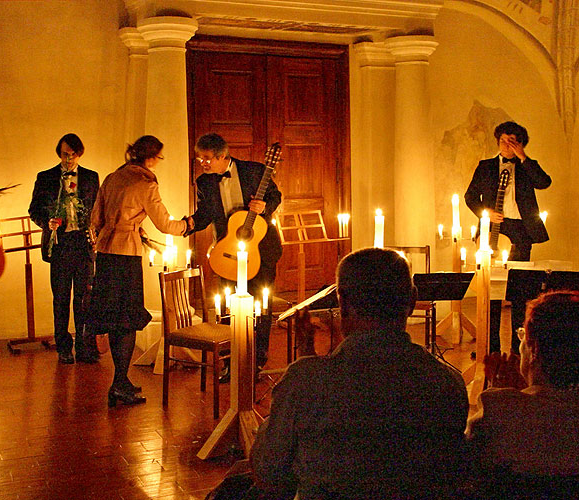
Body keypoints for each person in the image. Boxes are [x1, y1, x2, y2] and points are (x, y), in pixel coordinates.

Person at [251, 248, 469, 499]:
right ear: (411, 302)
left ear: (342, 302)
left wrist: (303, 374)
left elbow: (268, 472)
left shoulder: (307, 381)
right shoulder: (447, 382)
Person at [88, 135, 187, 407]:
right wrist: (188, 225)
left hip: (106, 253)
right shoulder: (145, 183)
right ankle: (119, 382)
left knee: (113, 317)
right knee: (127, 318)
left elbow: (96, 218)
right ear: (152, 157)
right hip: (126, 254)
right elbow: (165, 224)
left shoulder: (113, 177)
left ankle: (121, 380)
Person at [466, 290, 579, 496]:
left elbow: (467, 466)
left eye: (522, 335)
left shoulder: (499, 408)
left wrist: (502, 395)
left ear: (534, 347)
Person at [186, 133, 282, 373]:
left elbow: (274, 196)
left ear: (222, 156)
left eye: (207, 159)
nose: (203, 164)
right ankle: (230, 361)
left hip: (261, 249)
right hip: (227, 252)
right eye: (200, 160)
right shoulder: (205, 182)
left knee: (261, 304)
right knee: (228, 306)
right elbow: (204, 215)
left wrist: (264, 207)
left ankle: (257, 359)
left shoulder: (254, 170)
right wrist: (185, 225)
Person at [465, 121, 551, 353]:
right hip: (493, 229)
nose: (507, 145)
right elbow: (470, 196)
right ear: (497, 141)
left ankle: (517, 348)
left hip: (521, 230)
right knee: (491, 289)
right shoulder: (485, 166)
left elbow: (545, 182)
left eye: (513, 141)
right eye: (503, 140)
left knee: (520, 290)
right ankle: (491, 347)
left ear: (521, 143)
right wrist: (487, 213)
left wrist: (522, 157)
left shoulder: (526, 166)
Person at [29, 134, 99, 364]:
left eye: (72, 154)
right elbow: (34, 210)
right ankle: (63, 347)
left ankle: (84, 345)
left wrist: (96, 230)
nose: (68, 159)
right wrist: (47, 222)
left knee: (84, 298)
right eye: (64, 154)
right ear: (59, 153)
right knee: (60, 298)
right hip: (60, 244)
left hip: (83, 244)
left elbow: (98, 209)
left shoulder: (90, 177)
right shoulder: (46, 177)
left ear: (80, 154)